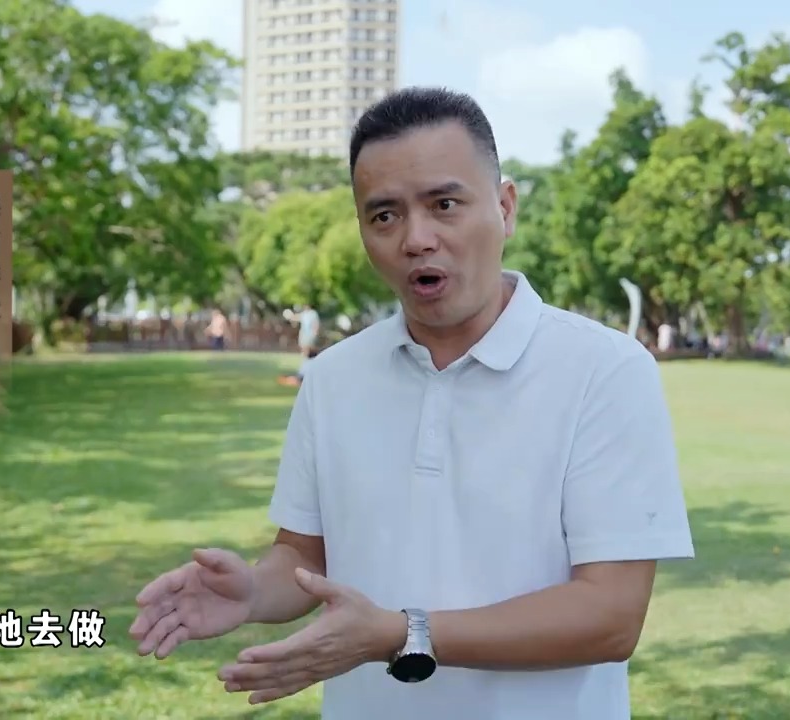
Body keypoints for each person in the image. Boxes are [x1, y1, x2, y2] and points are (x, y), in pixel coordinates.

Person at [128, 87, 695, 720]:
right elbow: (305, 555)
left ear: (505, 207)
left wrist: (404, 634)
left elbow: (610, 616)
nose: (416, 238)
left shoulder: (606, 370)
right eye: (384, 216)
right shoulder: (334, 378)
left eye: (444, 204)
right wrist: (254, 592)